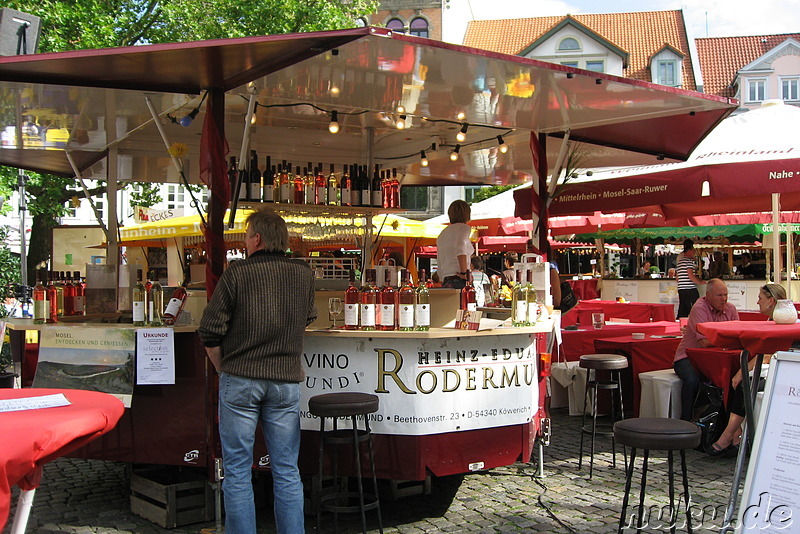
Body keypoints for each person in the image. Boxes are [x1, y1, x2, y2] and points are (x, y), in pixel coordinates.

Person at [198, 208, 317, 534]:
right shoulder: (303, 273)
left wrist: (225, 369)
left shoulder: (238, 273)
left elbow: (209, 330)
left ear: (258, 238)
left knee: (237, 469)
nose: (245, 241)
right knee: (286, 470)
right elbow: (308, 317)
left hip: (241, 380)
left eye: (247, 235)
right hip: (284, 381)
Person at [710, 283, 786, 455]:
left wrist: (740, 373)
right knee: (738, 381)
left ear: (771, 301)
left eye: (760, 298)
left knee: (744, 383)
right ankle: (736, 436)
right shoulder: (773, 320)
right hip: (772, 368)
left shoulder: (781, 322)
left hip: (781, 372)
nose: (757, 302)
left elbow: (766, 354)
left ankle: (729, 436)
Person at [673, 278, 739, 421]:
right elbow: (705, 342)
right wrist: (729, 339)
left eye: (726, 295)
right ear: (708, 296)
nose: (724, 299)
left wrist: (730, 339)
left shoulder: (731, 309)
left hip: (716, 359)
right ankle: (685, 422)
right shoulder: (699, 308)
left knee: (734, 379)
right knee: (692, 380)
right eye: (719, 295)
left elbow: (738, 336)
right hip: (688, 357)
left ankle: (724, 423)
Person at [436, 200, 473, 289]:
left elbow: (440, 258)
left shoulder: (443, 233)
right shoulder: (463, 228)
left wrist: (442, 277)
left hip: (446, 279)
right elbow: (461, 248)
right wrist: (464, 273)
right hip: (459, 279)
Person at [676, 239, 706, 318]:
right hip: (689, 288)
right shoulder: (688, 262)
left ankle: (680, 321)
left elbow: (677, 278)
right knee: (695, 306)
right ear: (689, 251)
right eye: (693, 251)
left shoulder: (680, 262)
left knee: (683, 308)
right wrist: (700, 282)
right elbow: (691, 276)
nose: (694, 254)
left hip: (681, 288)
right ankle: (696, 319)